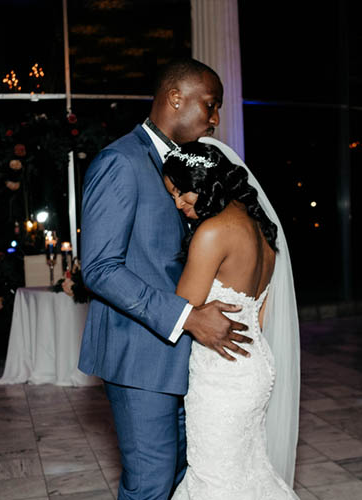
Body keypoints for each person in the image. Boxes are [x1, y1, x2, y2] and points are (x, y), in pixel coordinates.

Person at [79, 58, 255, 499]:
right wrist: (188, 317)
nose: (216, 119)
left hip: (184, 359)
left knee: (179, 477)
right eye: (211, 105)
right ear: (176, 97)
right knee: (150, 486)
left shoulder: (190, 166)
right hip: (139, 360)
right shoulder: (120, 161)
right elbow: (99, 268)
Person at [163, 141, 299, 499]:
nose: (177, 203)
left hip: (221, 374)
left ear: (204, 182)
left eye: (181, 192)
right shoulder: (263, 230)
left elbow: (182, 308)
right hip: (255, 364)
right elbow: (262, 312)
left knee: (215, 479)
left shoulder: (212, 233)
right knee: (248, 470)